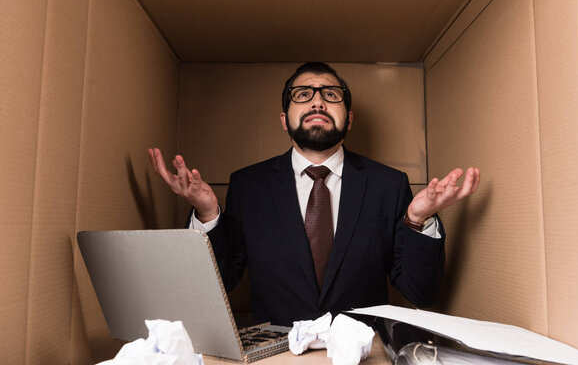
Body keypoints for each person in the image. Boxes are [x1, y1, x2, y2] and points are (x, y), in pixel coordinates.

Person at [148, 62, 480, 326]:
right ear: (284, 119)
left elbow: (420, 293)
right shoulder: (248, 186)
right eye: (303, 94)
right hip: (277, 355)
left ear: (349, 120)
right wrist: (207, 215)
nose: (318, 100)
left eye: (331, 94)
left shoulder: (388, 185)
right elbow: (217, 285)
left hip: (360, 354)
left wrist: (418, 220)